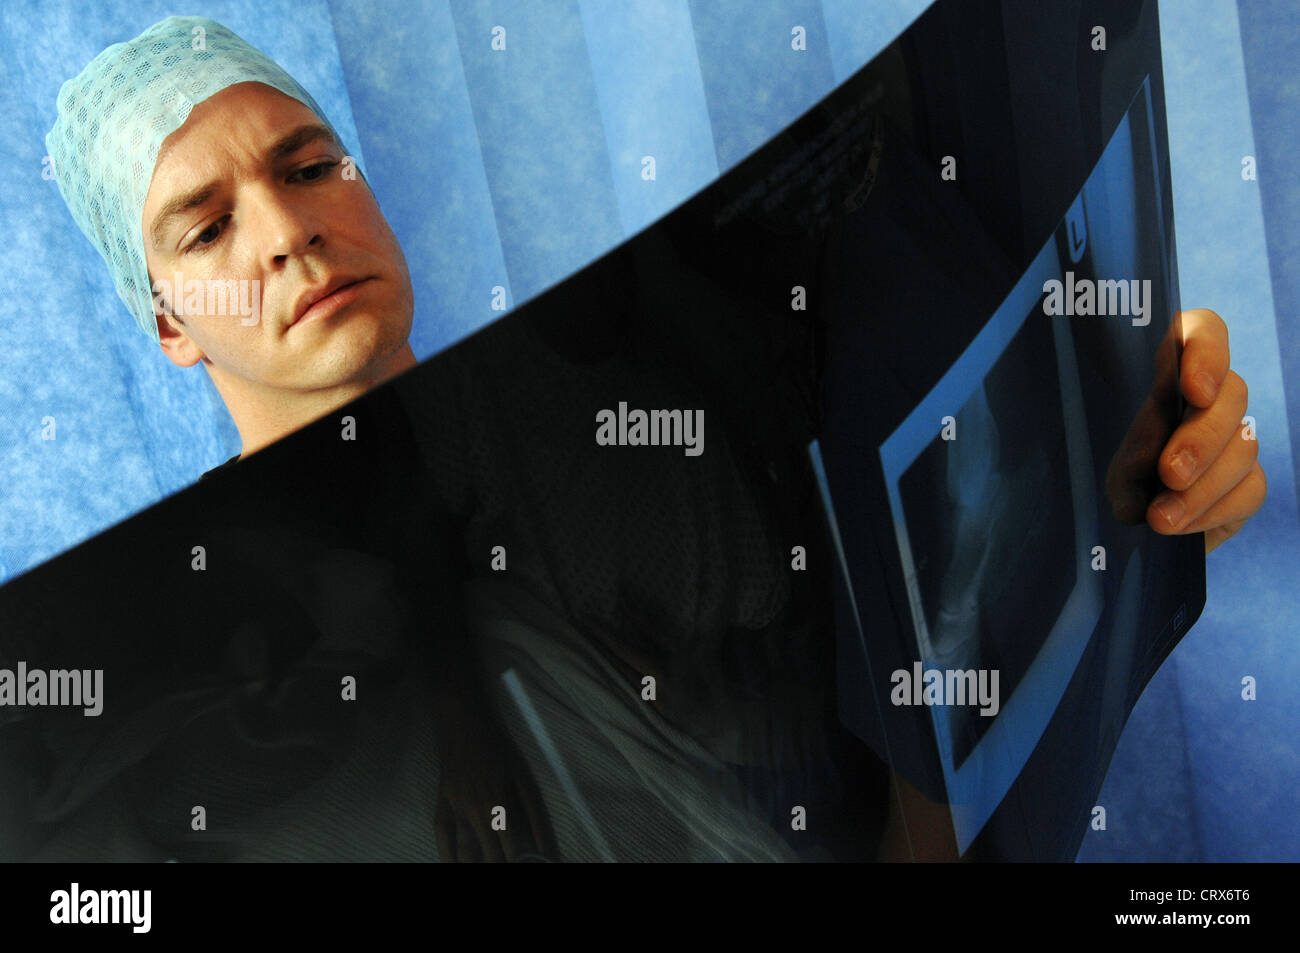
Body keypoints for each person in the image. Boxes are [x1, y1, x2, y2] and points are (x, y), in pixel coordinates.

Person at [44, 14, 1266, 862]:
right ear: (168, 327)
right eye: (204, 231)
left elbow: (909, 597)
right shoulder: (204, 649)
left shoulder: (633, 407)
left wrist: (1132, 441)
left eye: (312, 166)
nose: (285, 232)